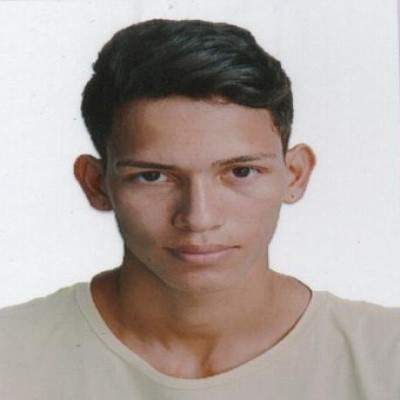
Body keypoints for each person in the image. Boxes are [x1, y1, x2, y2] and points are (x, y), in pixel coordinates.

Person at [0, 18, 399, 399]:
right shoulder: (11, 355)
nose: (199, 218)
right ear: (95, 184)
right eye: (153, 176)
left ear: (294, 175)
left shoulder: (387, 357)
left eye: (241, 172)